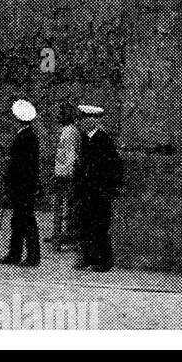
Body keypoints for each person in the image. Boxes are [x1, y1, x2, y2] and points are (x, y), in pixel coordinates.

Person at [70, 105, 123, 272]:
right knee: (85, 224)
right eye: (81, 119)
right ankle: (88, 257)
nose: (81, 123)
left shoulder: (103, 140)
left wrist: (108, 189)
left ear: (93, 120)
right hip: (86, 191)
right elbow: (81, 165)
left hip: (99, 192)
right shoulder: (86, 139)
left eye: (84, 119)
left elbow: (114, 166)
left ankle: (105, 260)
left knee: (100, 226)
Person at [0, 100, 42, 266]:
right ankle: (15, 254)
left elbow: (20, 165)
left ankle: (31, 256)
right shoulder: (28, 136)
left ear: (17, 119)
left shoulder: (25, 137)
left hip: (22, 186)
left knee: (26, 220)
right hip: (24, 185)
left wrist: (9, 178)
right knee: (18, 220)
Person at [48, 102, 81, 250]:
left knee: (65, 208)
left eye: (61, 114)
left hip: (66, 176)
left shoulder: (70, 132)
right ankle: (59, 234)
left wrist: (65, 174)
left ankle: (62, 236)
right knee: (61, 207)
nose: (58, 117)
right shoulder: (66, 130)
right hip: (62, 174)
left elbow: (70, 156)